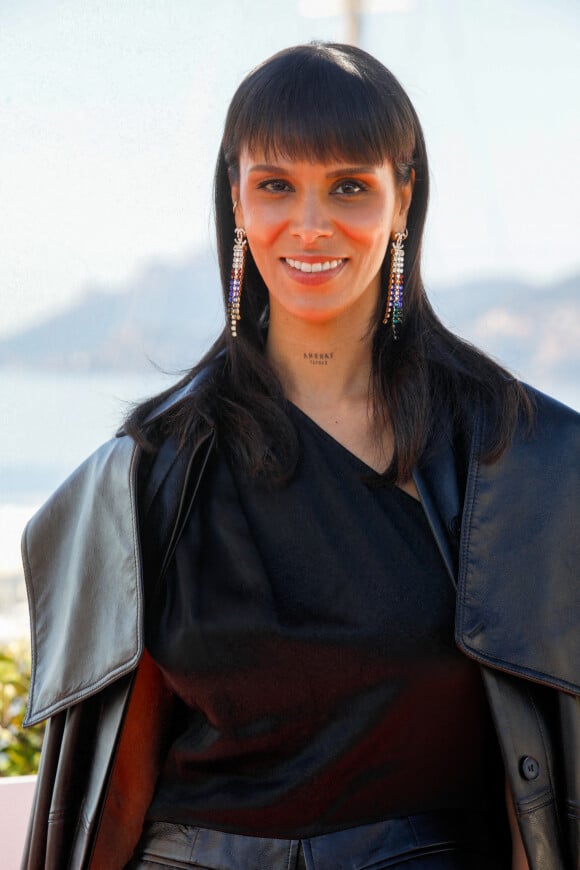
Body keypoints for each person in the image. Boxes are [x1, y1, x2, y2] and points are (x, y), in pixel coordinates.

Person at [20, 43, 580, 870]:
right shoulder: (146, 471)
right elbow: (111, 794)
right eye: (276, 184)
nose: (310, 224)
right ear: (237, 201)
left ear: (402, 198)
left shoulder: (521, 460)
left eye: (349, 186)